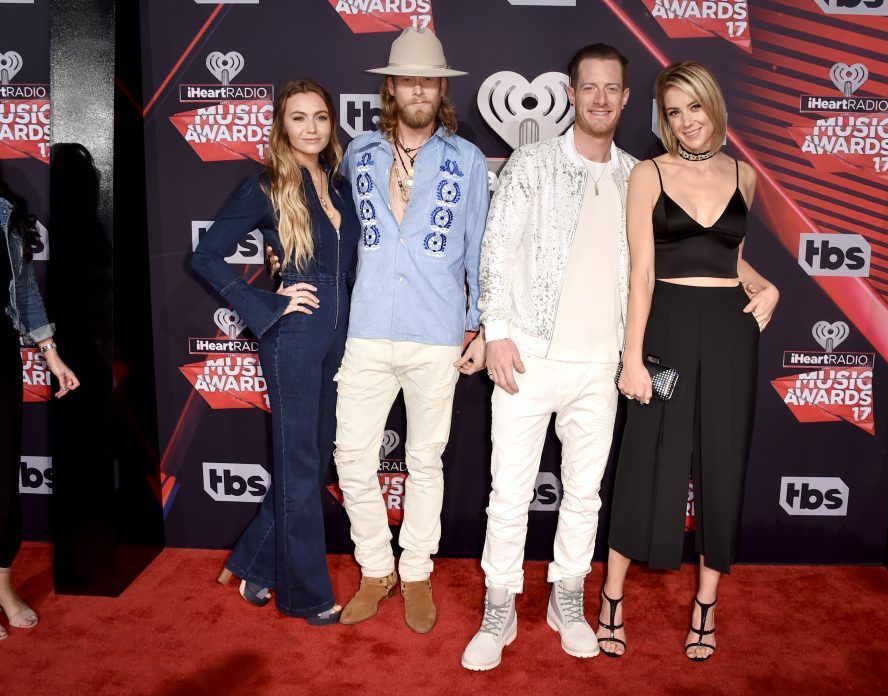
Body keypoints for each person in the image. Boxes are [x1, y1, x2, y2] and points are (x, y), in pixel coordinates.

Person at [461, 44, 636, 672]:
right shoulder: (532, 163)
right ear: (571, 92)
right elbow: (495, 249)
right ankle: (499, 608)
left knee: (584, 496)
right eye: (588, 87)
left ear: (624, 95)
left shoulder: (636, 175)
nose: (599, 98)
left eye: (610, 88)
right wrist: (498, 331)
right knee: (508, 494)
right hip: (527, 358)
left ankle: (568, 600)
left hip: (600, 367)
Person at [602, 61, 779, 662]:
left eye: (693, 108)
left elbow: (728, 260)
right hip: (668, 330)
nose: (685, 122)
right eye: (673, 112)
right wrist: (633, 356)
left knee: (721, 467)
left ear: (713, 106)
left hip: (731, 333)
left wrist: (769, 287)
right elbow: (643, 273)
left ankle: (706, 604)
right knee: (644, 461)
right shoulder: (648, 175)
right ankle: (612, 595)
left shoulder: (744, 176)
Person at [331, 27, 489, 635]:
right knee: (351, 457)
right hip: (367, 328)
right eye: (408, 79)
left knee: (425, 460)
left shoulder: (467, 160)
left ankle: (417, 569)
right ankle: (376, 567)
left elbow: (478, 247)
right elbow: (336, 238)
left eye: (430, 80)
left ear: (440, 88)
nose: (419, 89)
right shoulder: (359, 154)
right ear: (390, 86)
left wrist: (478, 327)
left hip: (437, 332)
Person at [193, 79, 358, 625]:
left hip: (341, 335)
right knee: (299, 462)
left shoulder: (339, 185)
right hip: (294, 334)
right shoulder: (265, 187)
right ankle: (307, 594)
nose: (311, 128)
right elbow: (206, 256)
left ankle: (252, 564)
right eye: (298, 118)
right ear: (281, 126)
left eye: (320, 117)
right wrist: (267, 302)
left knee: (311, 464)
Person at [0, 171, 79, 639]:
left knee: (1, 479)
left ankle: (4, 589)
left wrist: (51, 354)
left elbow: (23, 287)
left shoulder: (5, 208)